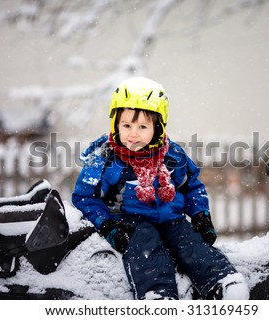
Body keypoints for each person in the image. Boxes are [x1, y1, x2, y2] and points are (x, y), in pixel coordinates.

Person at [72, 76, 249, 300]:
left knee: (190, 242)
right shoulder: (105, 158)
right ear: (115, 124)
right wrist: (108, 225)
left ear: (158, 127)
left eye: (142, 126)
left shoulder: (172, 155)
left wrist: (200, 214)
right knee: (146, 249)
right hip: (131, 221)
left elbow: (191, 186)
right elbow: (85, 197)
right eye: (126, 125)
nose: (133, 133)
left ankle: (221, 281)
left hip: (171, 218)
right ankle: (158, 296)